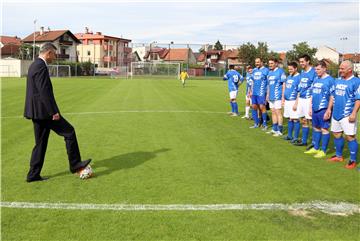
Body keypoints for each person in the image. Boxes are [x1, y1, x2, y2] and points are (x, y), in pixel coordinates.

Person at [24, 43, 91, 182]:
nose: (55, 57)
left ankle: (33, 175)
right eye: (54, 54)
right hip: (45, 112)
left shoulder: (34, 65)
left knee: (40, 143)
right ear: (48, 53)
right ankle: (75, 164)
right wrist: (53, 111)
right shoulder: (40, 66)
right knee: (69, 132)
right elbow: (44, 91)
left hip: (37, 112)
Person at [324, 60, 360, 169]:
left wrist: (354, 113)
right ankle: (339, 156)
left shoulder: (356, 81)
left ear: (350, 70)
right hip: (336, 113)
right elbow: (332, 96)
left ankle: (353, 160)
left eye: (342, 69)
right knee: (336, 134)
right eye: (340, 68)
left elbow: (358, 99)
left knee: (350, 137)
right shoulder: (337, 81)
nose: (340, 70)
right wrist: (329, 109)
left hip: (348, 114)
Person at [304, 61, 334, 158]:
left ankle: (323, 150)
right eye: (315, 69)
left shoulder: (330, 80)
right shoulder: (316, 79)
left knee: (324, 129)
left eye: (318, 69)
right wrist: (310, 107)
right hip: (314, 108)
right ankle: (316, 148)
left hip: (323, 108)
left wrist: (329, 110)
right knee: (316, 128)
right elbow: (313, 94)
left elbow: (332, 96)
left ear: (324, 68)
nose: (316, 71)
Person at [293, 54, 316, 147]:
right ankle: (304, 140)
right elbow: (300, 87)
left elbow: (315, 88)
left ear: (308, 61)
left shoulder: (314, 72)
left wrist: (312, 102)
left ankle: (314, 143)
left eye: (302, 61)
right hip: (301, 99)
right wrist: (297, 101)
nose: (301, 63)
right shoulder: (302, 72)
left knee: (311, 121)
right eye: (300, 61)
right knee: (303, 120)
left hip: (308, 99)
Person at [266, 58, 286, 136]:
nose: (270, 65)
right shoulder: (269, 72)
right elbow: (268, 85)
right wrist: (267, 94)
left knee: (278, 113)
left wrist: (283, 97)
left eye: (271, 63)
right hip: (271, 96)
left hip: (278, 96)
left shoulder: (280, 71)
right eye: (269, 63)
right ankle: (274, 129)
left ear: (276, 63)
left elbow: (284, 84)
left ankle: (280, 131)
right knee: (273, 112)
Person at [283, 62, 301, 142]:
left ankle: (295, 137)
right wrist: (283, 99)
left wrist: (296, 103)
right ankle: (289, 136)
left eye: (291, 69)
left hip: (293, 101)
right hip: (287, 101)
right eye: (289, 69)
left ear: (296, 68)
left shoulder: (299, 77)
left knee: (295, 119)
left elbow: (299, 91)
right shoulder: (289, 76)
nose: (289, 70)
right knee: (290, 119)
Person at [250, 58, 269, 129]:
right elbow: (253, 81)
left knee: (262, 107)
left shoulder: (266, 70)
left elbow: (268, 83)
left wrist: (267, 94)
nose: (256, 63)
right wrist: (251, 91)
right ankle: (256, 123)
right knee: (254, 107)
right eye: (256, 62)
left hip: (261, 92)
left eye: (258, 62)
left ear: (261, 62)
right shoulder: (254, 70)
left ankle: (264, 124)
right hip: (254, 92)